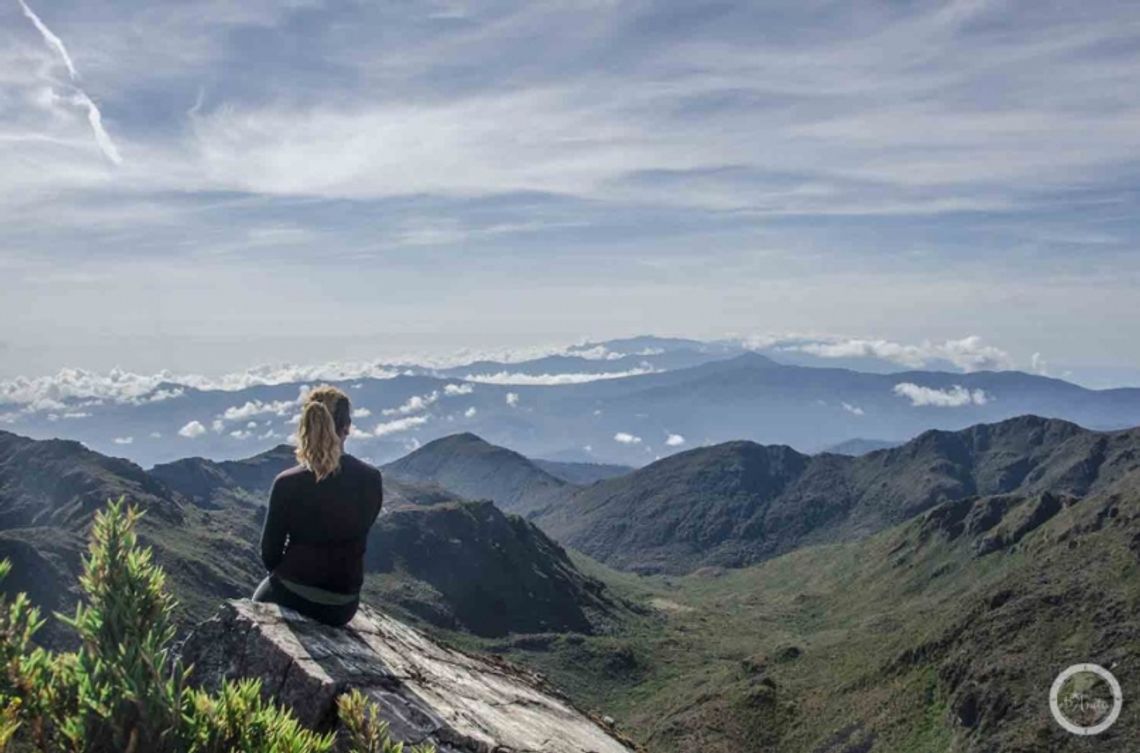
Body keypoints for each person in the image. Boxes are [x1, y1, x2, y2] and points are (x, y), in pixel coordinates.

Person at [252, 384, 383, 626]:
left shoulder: (287, 483)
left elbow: (270, 553)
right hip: (342, 604)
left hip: (290, 592)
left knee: (254, 613)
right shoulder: (371, 479)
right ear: (347, 428)